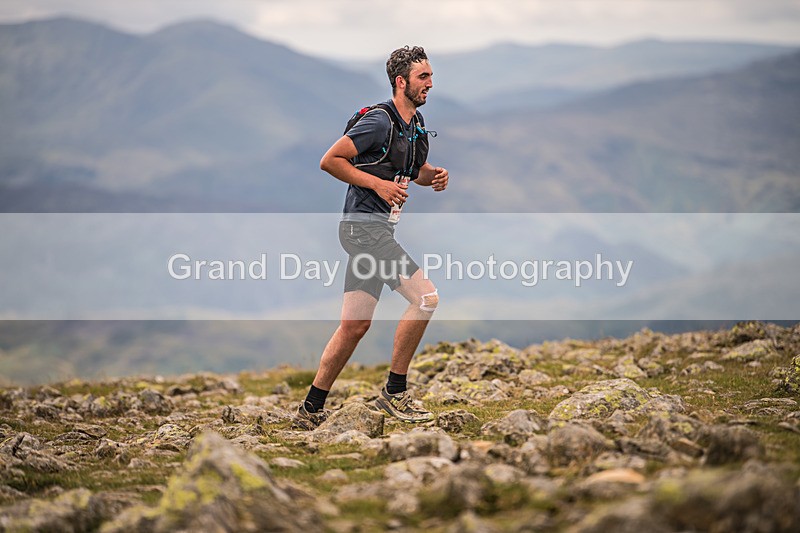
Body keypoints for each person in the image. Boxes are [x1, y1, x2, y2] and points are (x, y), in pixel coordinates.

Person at [294, 45, 449, 429]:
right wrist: (377, 186)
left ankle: (311, 408)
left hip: (372, 231)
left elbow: (415, 171)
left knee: (355, 325)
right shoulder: (378, 121)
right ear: (401, 82)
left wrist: (435, 177)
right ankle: (394, 394)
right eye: (423, 77)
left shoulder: (416, 127)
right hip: (364, 229)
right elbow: (330, 160)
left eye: (430, 75)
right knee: (426, 298)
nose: (431, 83)